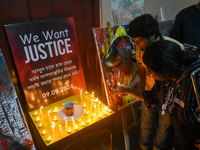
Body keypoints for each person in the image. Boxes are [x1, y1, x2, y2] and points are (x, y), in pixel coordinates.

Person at [115, 14, 184, 150]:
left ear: (152, 35)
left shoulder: (174, 49)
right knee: (146, 123)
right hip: (149, 92)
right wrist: (128, 87)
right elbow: (141, 70)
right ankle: (143, 146)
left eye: (139, 41)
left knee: (164, 127)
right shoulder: (142, 49)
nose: (136, 45)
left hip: (170, 99)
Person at [142, 40, 200, 150]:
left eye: (150, 70)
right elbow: (152, 99)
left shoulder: (196, 80)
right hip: (180, 141)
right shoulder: (167, 82)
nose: (149, 73)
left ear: (165, 70)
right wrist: (124, 89)